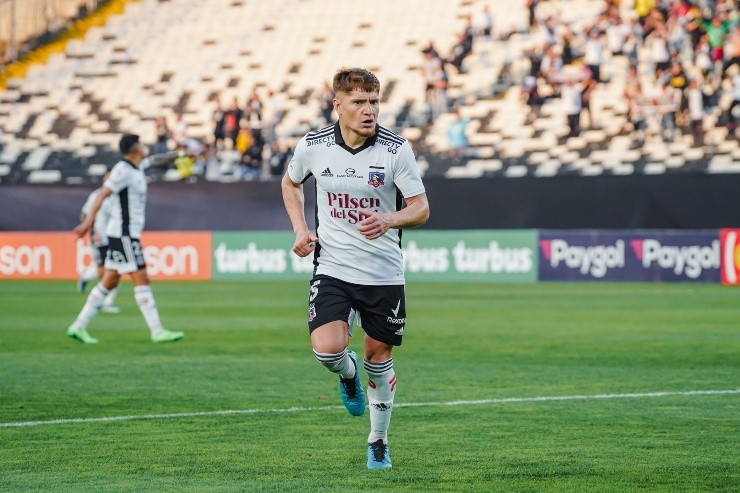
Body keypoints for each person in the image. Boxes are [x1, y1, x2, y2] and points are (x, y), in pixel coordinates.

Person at [281, 67, 429, 470]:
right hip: (333, 266)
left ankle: (378, 440)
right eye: (359, 102)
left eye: (374, 102)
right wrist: (300, 228)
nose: (369, 110)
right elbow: (291, 182)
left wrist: (390, 219)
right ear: (338, 105)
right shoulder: (314, 145)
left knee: (377, 358)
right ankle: (347, 376)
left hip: (382, 273)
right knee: (327, 349)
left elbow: (420, 208)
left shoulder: (396, 150)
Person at [67, 134, 185, 344]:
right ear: (136, 149)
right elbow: (102, 195)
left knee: (109, 281)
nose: (144, 147)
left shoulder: (137, 167)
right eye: (141, 144)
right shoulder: (122, 170)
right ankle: (157, 331)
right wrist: (88, 223)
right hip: (124, 234)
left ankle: (78, 326)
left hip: (123, 234)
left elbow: (157, 160)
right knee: (141, 278)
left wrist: (182, 154)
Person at [77, 171, 120, 314]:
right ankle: (103, 301)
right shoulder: (96, 195)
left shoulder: (119, 195)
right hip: (100, 238)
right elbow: (85, 214)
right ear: (104, 180)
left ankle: (106, 300)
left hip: (115, 237)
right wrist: (92, 232)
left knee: (115, 269)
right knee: (104, 270)